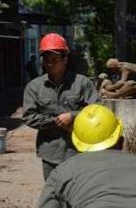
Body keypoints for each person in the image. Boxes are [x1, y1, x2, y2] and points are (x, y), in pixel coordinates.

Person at [23, 33, 100, 180]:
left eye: (54, 60)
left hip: (80, 151)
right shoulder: (34, 87)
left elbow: (98, 108)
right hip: (51, 153)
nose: (50, 64)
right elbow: (29, 116)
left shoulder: (82, 83)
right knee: (53, 191)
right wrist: (57, 121)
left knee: (78, 190)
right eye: (46, 60)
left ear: (65, 59)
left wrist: (73, 116)